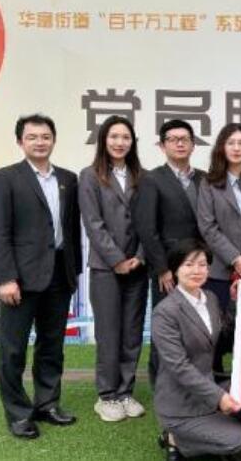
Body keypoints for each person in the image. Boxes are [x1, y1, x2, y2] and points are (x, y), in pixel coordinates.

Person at [0, 114, 81, 439]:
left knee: (52, 345)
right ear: (20, 142)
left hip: (59, 274)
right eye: (32, 137)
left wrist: (73, 272)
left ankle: (47, 404)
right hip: (20, 277)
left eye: (45, 136)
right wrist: (6, 278)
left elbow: (71, 230)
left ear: (53, 140)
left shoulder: (68, 179)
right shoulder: (6, 178)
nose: (40, 142)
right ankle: (17, 414)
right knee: (13, 350)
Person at [197, 123, 241, 430]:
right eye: (231, 143)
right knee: (214, 338)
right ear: (222, 148)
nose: (237, 148)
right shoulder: (209, 183)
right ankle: (214, 406)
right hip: (217, 272)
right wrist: (235, 259)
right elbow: (207, 226)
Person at [152, 240, 241, 461]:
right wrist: (219, 397)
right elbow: (179, 367)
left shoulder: (210, 299)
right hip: (180, 403)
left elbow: (223, 337)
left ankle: (210, 426)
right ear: (175, 270)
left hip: (206, 388)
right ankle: (174, 438)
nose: (196, 271)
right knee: (238, 440)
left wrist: (235, 302)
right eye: (188, 265)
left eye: (202, 265)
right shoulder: (165, 312)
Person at [78, 115, 148, 422]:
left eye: (126, 137)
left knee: (132, 332)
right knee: (109, 332)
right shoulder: (90, 176)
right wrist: (117, 259)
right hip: (106, 268)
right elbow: (93, 223)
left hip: (138, 266)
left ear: (133, 143)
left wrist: (140, 256)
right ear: (104, 140)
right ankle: (107, 396)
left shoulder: (142, 176)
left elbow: (148, 221)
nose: (120, 142)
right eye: (114, 137)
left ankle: (125, 391)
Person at [133, 119, 206, 386]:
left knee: (197, 328)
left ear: (193, 145)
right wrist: (162, 269)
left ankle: (197, 383)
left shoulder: (205, 179)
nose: (179, 144)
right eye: (173, 140)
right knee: (167, 328)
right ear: (162, 146)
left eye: (184, 139)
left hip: (200, 267)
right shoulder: (151, 180)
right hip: (169, 270)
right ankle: (162, 385)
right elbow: (147, 228)